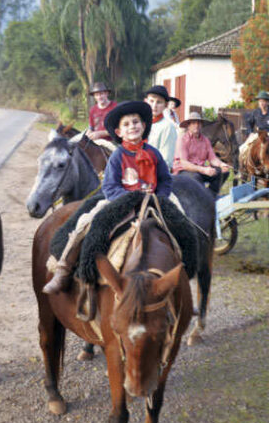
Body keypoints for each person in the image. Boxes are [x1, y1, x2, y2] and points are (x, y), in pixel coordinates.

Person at [43, 101, 172, 295]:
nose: (132, 127)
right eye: (126, 124)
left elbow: (165, 180)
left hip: (153, 200)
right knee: (87, 222)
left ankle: (183, 280)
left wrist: (160, 197)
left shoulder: (154, 154)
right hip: (119, 202)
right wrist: (131, 199)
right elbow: (110, 187)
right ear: (119, 132)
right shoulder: (118, 156)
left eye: (136, 122)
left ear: (144, 126)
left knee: (183, 223)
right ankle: (64, 268)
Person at [173, 111, 230, 195]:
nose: (196, 125)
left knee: (223, 172)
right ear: (188, 125)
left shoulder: (205, 140)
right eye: (193, 123)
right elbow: (184, 164)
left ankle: (211, 195)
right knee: (196, 177)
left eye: (198, 123)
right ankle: (199, 200)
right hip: (184, 170)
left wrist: (221, 164)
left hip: (200, 169)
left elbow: (212, 158)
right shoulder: (182, 139)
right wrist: (204, 170)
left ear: (201, 125)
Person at [144, 85, 178, 171]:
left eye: (159, 102)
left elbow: (165, 161)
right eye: (151, 101)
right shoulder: (140, 123)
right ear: (146, 101)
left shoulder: (167, 127)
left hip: (155, 173)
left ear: (165, 105)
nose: (154, 105)